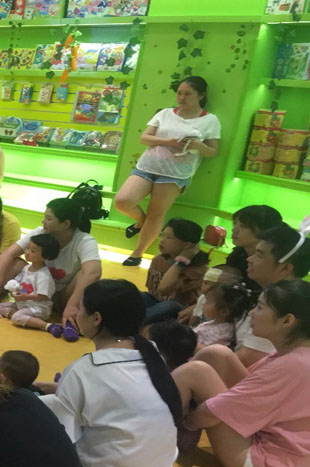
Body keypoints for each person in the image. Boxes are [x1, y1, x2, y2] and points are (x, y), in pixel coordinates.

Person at [39, 280, 183, 467]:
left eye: (81, 307)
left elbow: (61, 438)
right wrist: (59, 390)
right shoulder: (151, 352)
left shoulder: (84, 370)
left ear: (96, 318)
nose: (76, 313)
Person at [170, 280, 310, 467]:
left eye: (260, 307)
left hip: (265, 464)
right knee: (216, 353)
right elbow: (244, 392)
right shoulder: (295, 354)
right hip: (274, 450)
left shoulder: (293, 365)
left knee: (194, 372)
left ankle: (158, 438)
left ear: (287, 321)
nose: (251, 313)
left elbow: (215, 411)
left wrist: (188, 424)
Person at [114, 76, 221, 266]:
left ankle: (137, 253)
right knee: (122, 201)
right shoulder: (165, 113)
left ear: (201, 95)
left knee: (156, 213)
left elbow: (212, 151)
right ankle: (141, 221)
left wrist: (198, 145)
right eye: (179, 93)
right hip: (147, 166)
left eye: (188, 94)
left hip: (175, 173)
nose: (182, 97)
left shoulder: (210, 120)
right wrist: (169, 142)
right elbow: (145, 138)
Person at [0, 197, 103, 329]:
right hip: (34, 292)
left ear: (66, 224)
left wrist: (72, 305)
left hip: (64, 296)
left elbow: (93, 273)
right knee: (13, 262)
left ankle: (69, 316)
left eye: (48, 219)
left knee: (85, 273)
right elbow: (8, 254)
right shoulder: (40, 232)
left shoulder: (84, 240)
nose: (44, 221)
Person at [196, 219, 310, 369]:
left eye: (259, 255)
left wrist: (188, 343)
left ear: (285, 268)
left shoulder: (283, 307)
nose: (249, 259)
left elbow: (244, 363)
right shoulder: (269, 296)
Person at [142, 217, 210, 323]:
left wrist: (182, 261)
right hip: (157, 306)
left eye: (169, 237)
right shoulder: (158, 260)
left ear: (187, 245)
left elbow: (163, 288)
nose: (162, 240)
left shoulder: (199, 270)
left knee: (169, 306)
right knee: (138, 295)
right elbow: (152, 292)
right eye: (162, 235)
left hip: (180, 315)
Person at [0, 233, 63, 336]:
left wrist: (25, 297)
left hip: (37, 308)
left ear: (45, 257)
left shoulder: (43, 275)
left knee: (17, 317)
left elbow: (44, 296)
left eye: (33, 251)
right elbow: (18, 283)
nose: (27, 252)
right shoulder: (26, 268)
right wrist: (13, 290)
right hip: (24, 304)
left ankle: (47, 326)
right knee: (1, 306)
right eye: (27, 248)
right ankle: (25, 319)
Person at [225, 205, 282, 291]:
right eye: (234, 223)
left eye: (243, 226)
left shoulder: (274, 262)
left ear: (264, 231)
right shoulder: (237, 255)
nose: (234, 229)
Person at [177, 264, 241, 326]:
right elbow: (194, 320)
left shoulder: (228, 304)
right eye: (205, 283)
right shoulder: (202, 298)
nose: (207, 287)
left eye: (215, 285)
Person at [194, 283, 256, 348]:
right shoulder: (216, 324)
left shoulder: (220, 333)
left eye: (207, 302)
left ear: (224, 311)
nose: (203, 304)